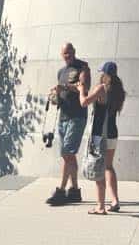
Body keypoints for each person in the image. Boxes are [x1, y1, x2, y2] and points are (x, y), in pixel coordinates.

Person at [78, 61, 127, 215]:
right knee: (108, 166)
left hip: (100, 135)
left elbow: (84, 102)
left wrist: (81, 90)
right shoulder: (119, 91)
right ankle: (115, 200)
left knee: (98, 167)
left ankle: (100, 206)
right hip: (113, 133)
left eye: (102, 73)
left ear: (105, 74)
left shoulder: (101, 89)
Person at [45, 42, 90, 206]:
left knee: (67, 152)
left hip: (77, 117)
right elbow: (61, 92)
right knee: (68, 155)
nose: (68, 55)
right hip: (63, 116)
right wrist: (55, 95)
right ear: (61, 54)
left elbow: (83, 89)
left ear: (74, 51)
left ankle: (61, 191)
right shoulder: (61, 72)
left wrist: (64, 86)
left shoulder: (83, 67)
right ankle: (75, 190)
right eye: (65, 53)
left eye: (70, 52)